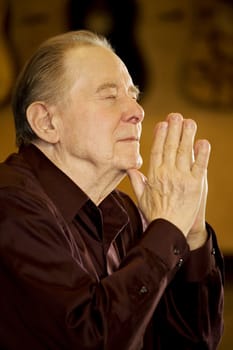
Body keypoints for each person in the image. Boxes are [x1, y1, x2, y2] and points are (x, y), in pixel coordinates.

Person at [0, 30, 224, 350]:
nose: (137, 110)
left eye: (132, 94)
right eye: (109, 95)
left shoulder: (121, 209)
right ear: (47, 122)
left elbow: (190, 343)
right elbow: (88, 340)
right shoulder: (10, 208)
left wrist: (190, 233)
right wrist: (167, 229)